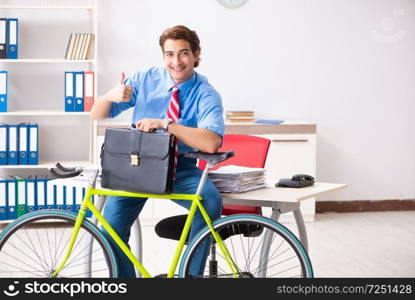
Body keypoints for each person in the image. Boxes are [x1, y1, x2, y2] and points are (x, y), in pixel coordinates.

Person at [90, 25, 225, 277]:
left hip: (179, 170)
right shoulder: (144, 80)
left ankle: (190, 276)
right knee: (110, 228)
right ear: (163, 56)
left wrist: (167, 125)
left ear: (196, 54)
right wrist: (109, 96)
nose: (176, 62)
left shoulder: (207, 94)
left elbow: (211, 143)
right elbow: (96, 114)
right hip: (137, 167)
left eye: (184, 53)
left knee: (210, 200)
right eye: (169, 54)